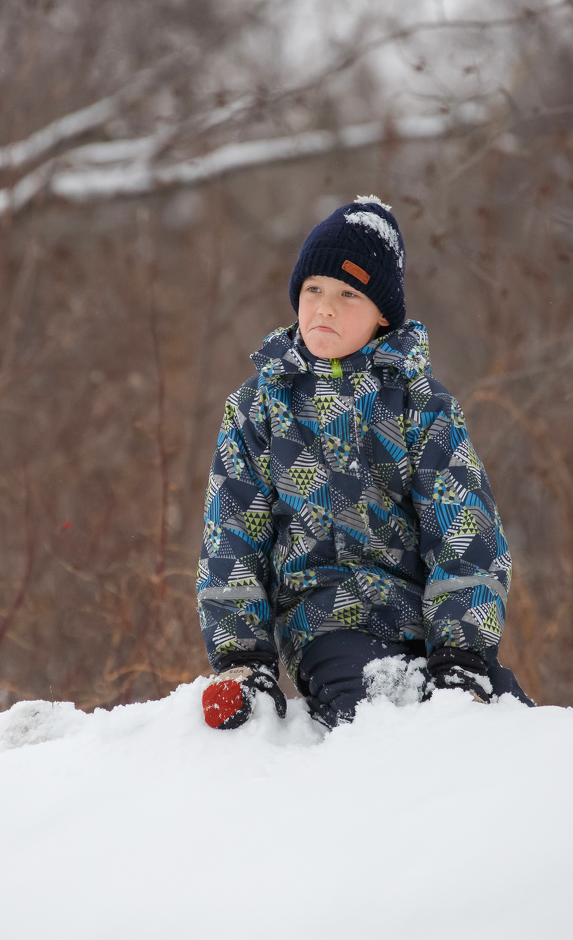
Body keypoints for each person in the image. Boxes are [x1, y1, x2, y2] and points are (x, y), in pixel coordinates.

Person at [196, 195, 531, 730]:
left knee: (505, 721)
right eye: (313, 290)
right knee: (380, 711)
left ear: (381, 316)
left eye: (348, 294)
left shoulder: (420, 403)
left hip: (427, 622)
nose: (324, 307)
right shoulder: (260, 406)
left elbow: (464, 528)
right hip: (328, 618)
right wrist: (244, 660)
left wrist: (462, 654)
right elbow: (233, 533)